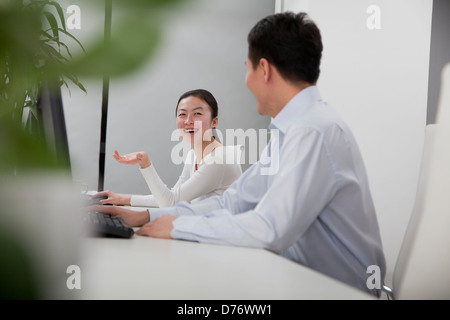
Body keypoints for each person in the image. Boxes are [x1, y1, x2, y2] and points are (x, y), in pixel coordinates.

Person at [95, 12, 386, 296]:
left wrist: (178, 226)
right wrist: (146, 216)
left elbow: (270, 228)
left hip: (336, 290)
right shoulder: (289, 132)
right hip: (299, 277)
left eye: (246, 69)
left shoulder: (312, 132)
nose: (246, 80)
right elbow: (234, 202)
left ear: (264, 70)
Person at [94, 89, 242, 208]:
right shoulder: (194, 155)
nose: (188, 121)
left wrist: (145, 164)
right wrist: (123, 199)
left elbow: (170, 202)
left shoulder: (218, 160)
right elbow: (171, 196)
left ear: (214, 122)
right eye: (182, 114)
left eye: (197, 114)